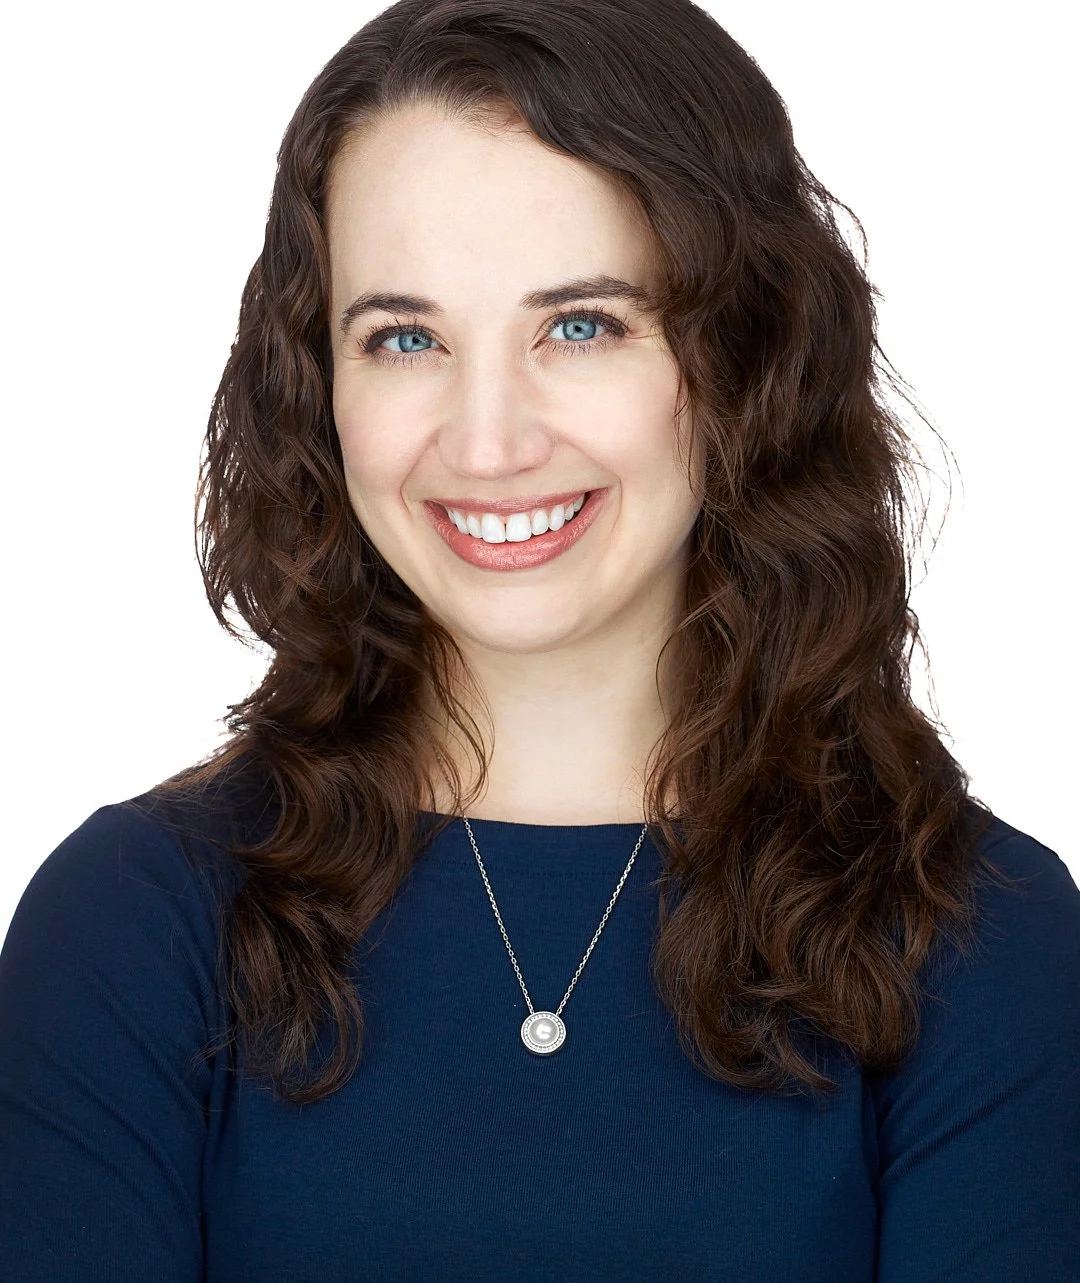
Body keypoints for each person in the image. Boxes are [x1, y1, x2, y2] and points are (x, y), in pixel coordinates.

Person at [2, 0, 1078, 1278]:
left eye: (581, 325)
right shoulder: (131, 923)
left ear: (746, 352)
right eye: (405, 338)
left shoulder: (978, 936)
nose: (488, 440)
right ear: (318, 384)